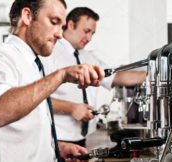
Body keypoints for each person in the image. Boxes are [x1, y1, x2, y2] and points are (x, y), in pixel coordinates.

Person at [0, 1, 105, 162]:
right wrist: (61, 76)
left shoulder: (33, 62)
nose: (60, 34)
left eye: (62, 26)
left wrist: (57, 148)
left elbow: (26, 129)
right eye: (54, 22)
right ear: (27, 16)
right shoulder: (0, 57)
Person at [42, 7, 146, 147]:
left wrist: (151, 74)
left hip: (82, 139)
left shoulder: (88, 57)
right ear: (71, 24)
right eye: (86, 31)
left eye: (92, 33)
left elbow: (116, 77)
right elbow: (37, 98)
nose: (89, 38)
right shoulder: (50, 53)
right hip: (56, 140)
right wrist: (71, 108)